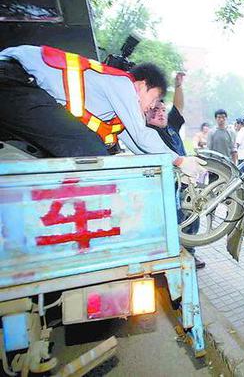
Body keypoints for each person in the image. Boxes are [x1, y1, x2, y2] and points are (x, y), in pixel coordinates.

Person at [0, 45, 205, 180]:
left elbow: (138, 145)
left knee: (94, 152)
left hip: (18, 90)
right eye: (153, 99)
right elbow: (142, 136)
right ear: (142, 85)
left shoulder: (116, 111)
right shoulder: (123, 83)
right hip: (13, 81)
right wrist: (179, 159)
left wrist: (172, 165)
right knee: (91, 154)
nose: (152, 107)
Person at [146, 72, 206, 269]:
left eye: (163, 109)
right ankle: (174, 255)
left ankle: (190, 253)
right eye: (155, 110)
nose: (161, 113)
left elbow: (178, 107)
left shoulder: (170, 125)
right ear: (145, 112)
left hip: (186, 185)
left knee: (192, 218)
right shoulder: (144, 134)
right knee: (173, 222)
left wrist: (178, 86)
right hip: (166, 188)